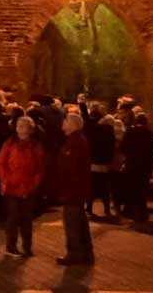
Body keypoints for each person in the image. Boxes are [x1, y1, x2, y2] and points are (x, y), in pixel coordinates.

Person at [0, 115, 46, 257]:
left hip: (28, 187)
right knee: (13, 217)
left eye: (24, 126)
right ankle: (11, 246)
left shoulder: (36, 145)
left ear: (31, 129)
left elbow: (40, 168)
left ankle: (27, 246)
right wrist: (6, 179)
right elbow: (0, 163)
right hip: (11, 186)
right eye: (19, 126)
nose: (21, 129)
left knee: (27, 219)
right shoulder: (10, 143)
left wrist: (33, 185)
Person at [54, 111, 94, 266]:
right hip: (76, 189)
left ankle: (75, 253)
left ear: (73, 124)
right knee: (79, 221)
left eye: (65, 121)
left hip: (73, 190)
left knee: (73, 222)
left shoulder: (75, 142)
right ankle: (85, 252)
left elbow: (70, 166)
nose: (63, 123)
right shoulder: (74, 140)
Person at [118, 111, 153, 222]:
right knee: (142, 188)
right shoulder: (150, 134)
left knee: (130, 187)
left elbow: (122, 148)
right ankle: (142, 212)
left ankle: (129, 210)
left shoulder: (130, 131)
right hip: (145, 165)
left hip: (132, 163)